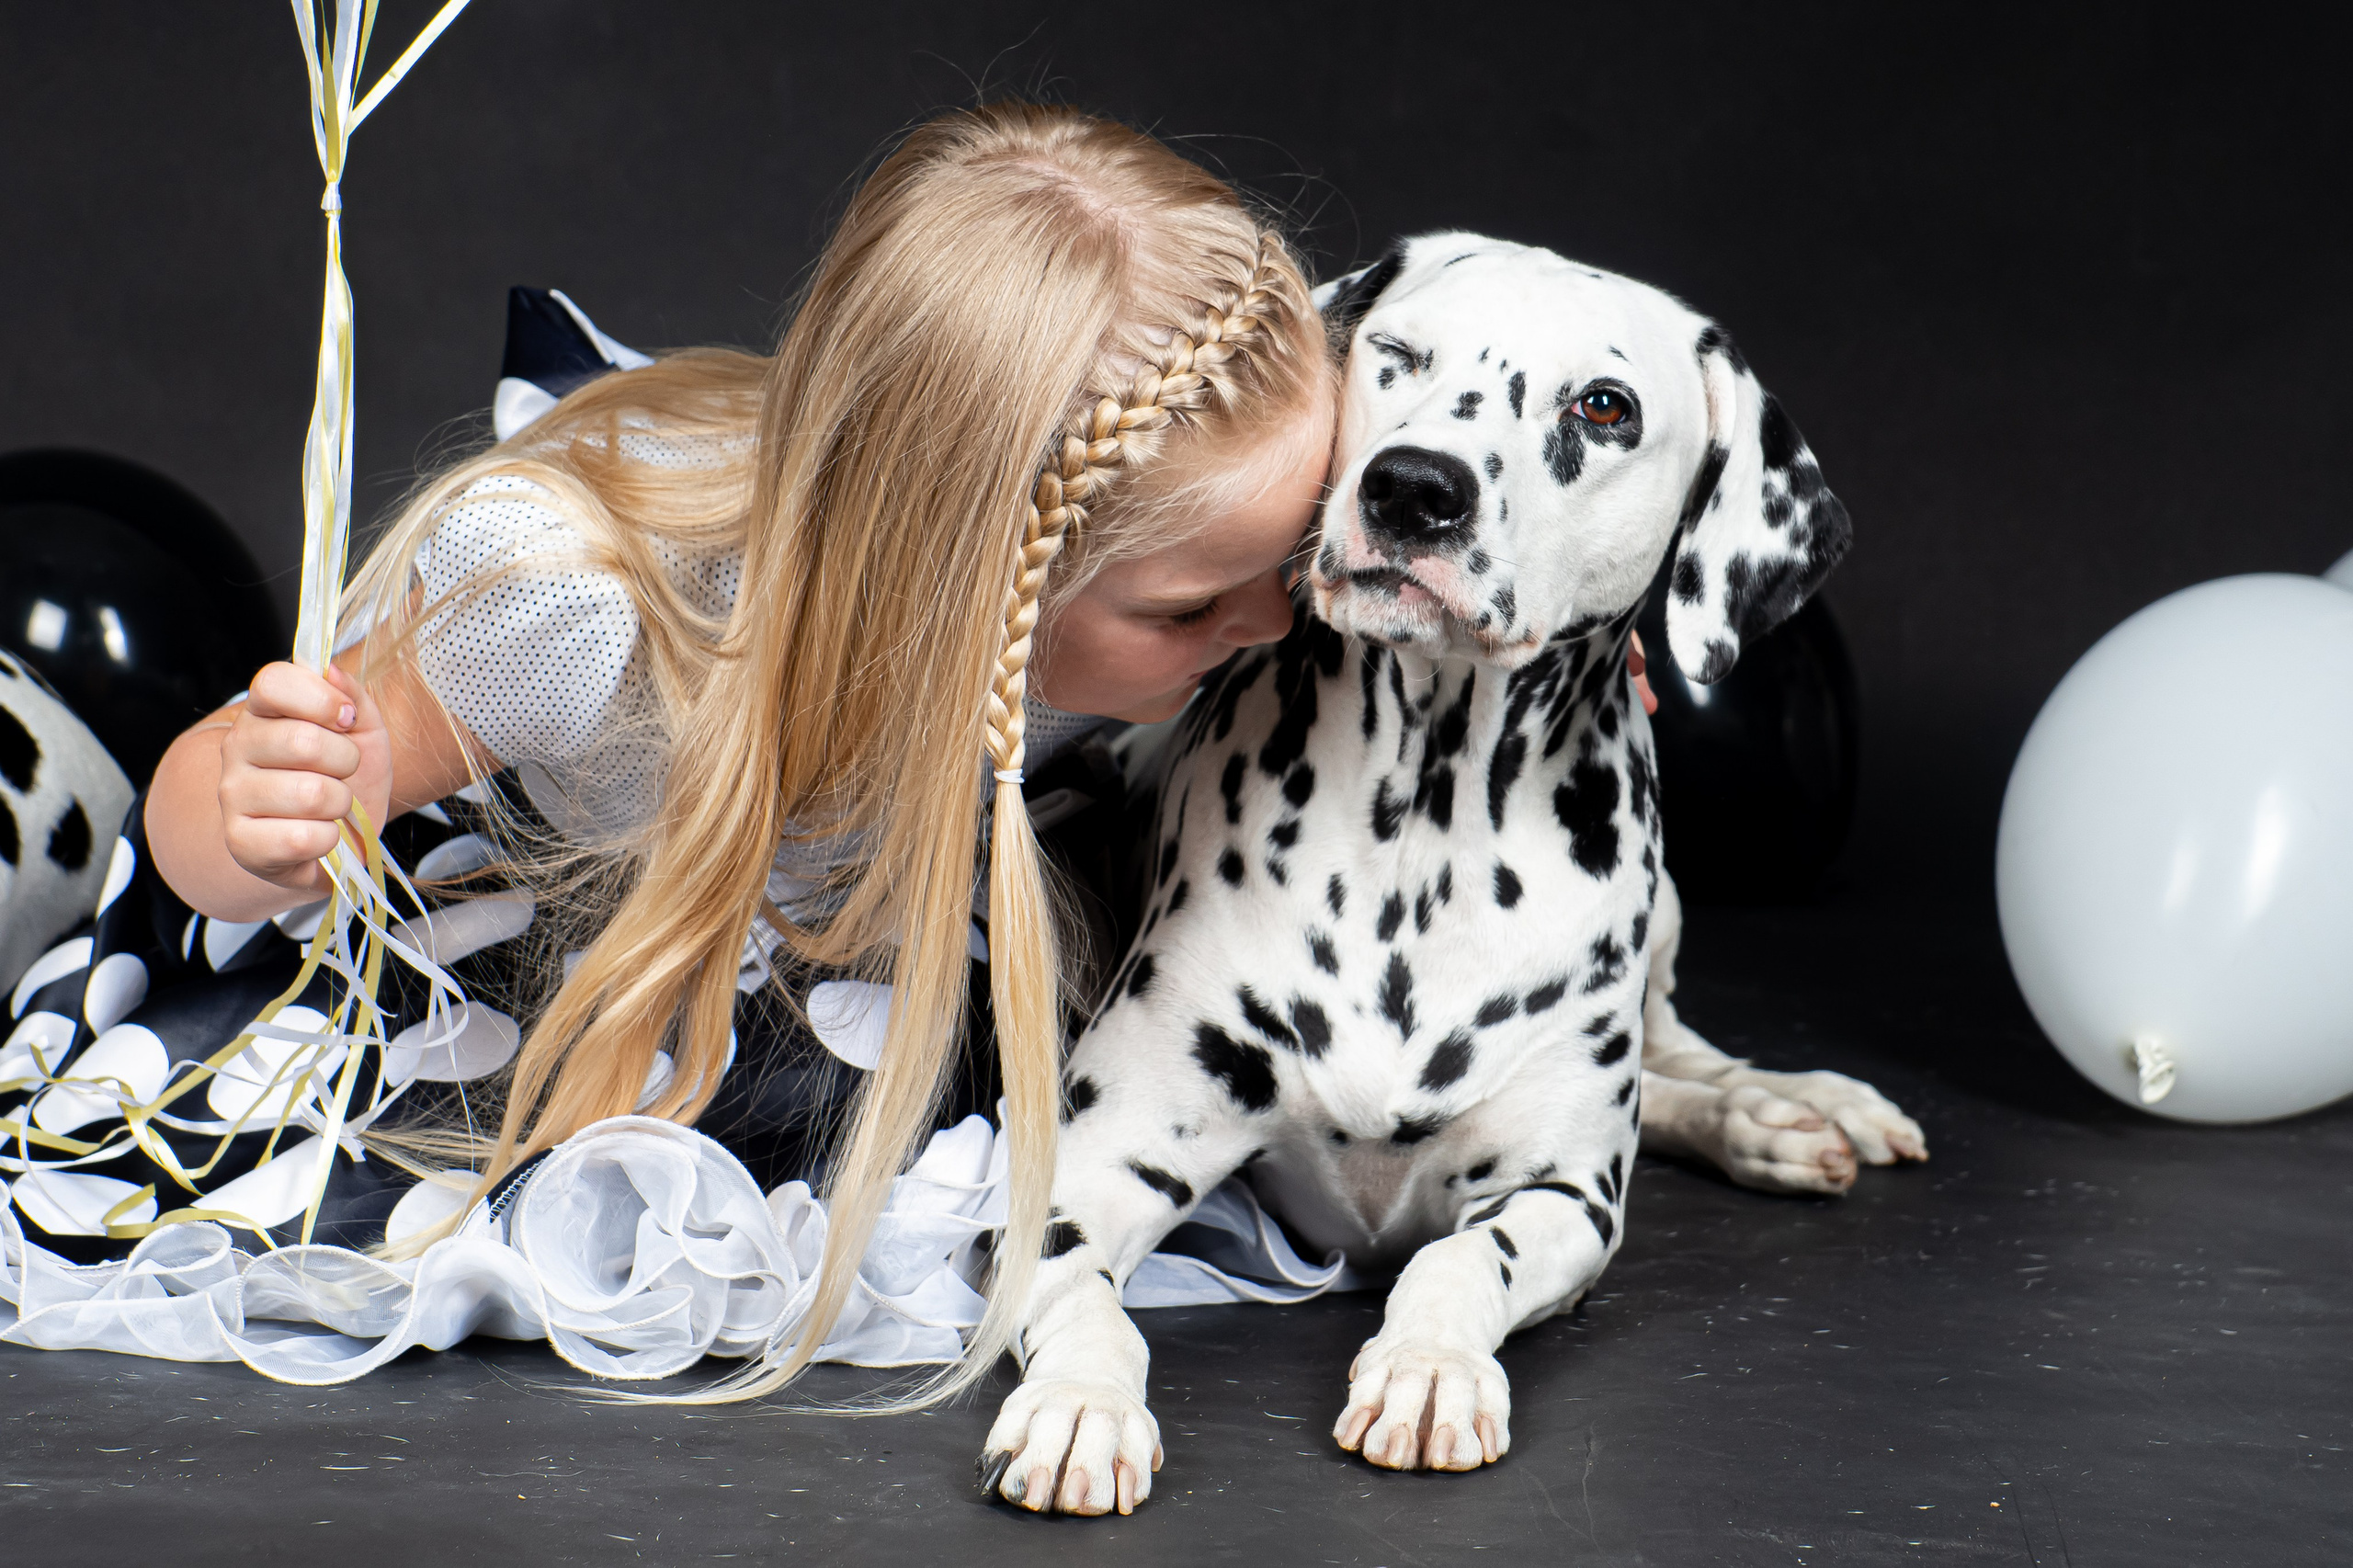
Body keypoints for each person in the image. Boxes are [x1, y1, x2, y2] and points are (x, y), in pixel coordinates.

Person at [130, 102, 1335, 1399]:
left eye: (1301, 554)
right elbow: (203, 831)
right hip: (624, 836)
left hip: (882, 855)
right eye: (1191, 607)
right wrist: (265, 817)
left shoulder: (1185, 547)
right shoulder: (574, 624)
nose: (1276, 621)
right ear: (973, 588)